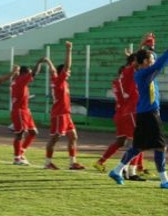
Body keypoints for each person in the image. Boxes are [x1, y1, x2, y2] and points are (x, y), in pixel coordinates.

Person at [108, 30, 168, 190]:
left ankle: (116, 171)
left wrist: (150, 44)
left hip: (144, 113)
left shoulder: (142, 71)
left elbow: (154, 59)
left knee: (137, 147)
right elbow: (159, 63)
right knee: (160, 146)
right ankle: (164, 181)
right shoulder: (144, 73)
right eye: (150, 59)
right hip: (149, 114)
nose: (153, 60)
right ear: (143, 63)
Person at [93, 53, 146, 181]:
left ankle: (103, 162)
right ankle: (131, 171)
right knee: (137, 141)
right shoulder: (129, 75)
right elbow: (135, 65)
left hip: (120, 113)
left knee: (122, 141)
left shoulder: (117, 81)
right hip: (129, 111)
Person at [43, 41, 85, 170]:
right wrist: (69, 50)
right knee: (54, 138)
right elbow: (67, 66)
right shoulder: (60, 81)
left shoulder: (59, 81)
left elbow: (53, 70)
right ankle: (47, 163)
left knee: (73, 136)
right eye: (67, 72)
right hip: (59, 114)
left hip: (66, 114)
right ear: (62, 73)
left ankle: (73, 163)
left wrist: (48, 62)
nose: (69, 72)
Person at [10, 58, 44, 165]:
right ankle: (17, 158)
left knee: (33, 132)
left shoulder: (16, 80)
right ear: (24, 74)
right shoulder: (21, 80)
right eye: (28, 73)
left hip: (25, 110)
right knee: (19, 134)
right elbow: (34, 73)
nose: (29, 76)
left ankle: (21, 152)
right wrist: (38, 62)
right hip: (20, 111)